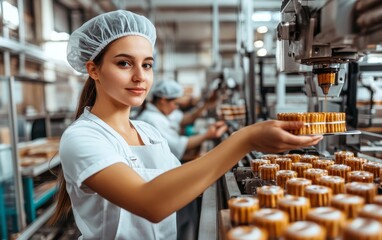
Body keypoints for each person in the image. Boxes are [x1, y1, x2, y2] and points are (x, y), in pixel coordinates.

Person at [50, 9, 323, 240]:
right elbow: (150, 202)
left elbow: (180, 184)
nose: (139, 77)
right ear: (93, 70)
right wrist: (244, 140)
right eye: (124, 63)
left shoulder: (148, 132)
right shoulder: (82, 137)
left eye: (147, 65)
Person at [136, 79, 227, 162]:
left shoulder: (162, 112)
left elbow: (186, 118)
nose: (176, 107)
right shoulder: (152, 119)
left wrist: (206, 104)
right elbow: (178, 146)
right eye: (175, 104)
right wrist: (208, 135)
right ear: (163, 101)